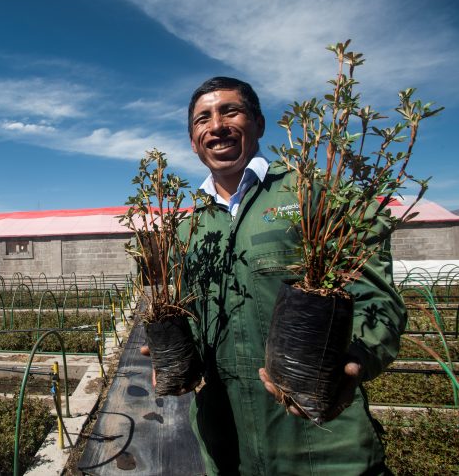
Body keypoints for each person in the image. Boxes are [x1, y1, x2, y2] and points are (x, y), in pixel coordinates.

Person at [164, 76, 405, 474]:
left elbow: (378, 301)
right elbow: (191, 317)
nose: (217, 125)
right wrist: (174, 353)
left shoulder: (312, 193)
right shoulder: (189, 228)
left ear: (258, 123)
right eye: (202, 119)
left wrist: (358, 357)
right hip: (226, 446)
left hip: (323, 443)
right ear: (193, 140)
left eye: (230, 111)